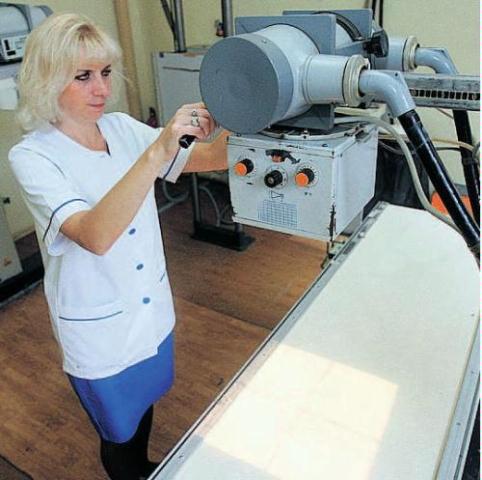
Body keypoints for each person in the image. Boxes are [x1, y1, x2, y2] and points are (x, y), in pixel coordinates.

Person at [9, 12, 228, 480]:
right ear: (47, 79)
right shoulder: (33, 156)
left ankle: (143, 468)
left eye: (106, 72)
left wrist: (245, 107)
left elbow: (212, 156)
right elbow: (95, 234)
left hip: (149, 311)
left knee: (144, 407)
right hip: (100, 335)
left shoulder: (122, 128)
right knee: (118, 432)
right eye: (83, 76)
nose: (102, 89)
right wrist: (157, 151)